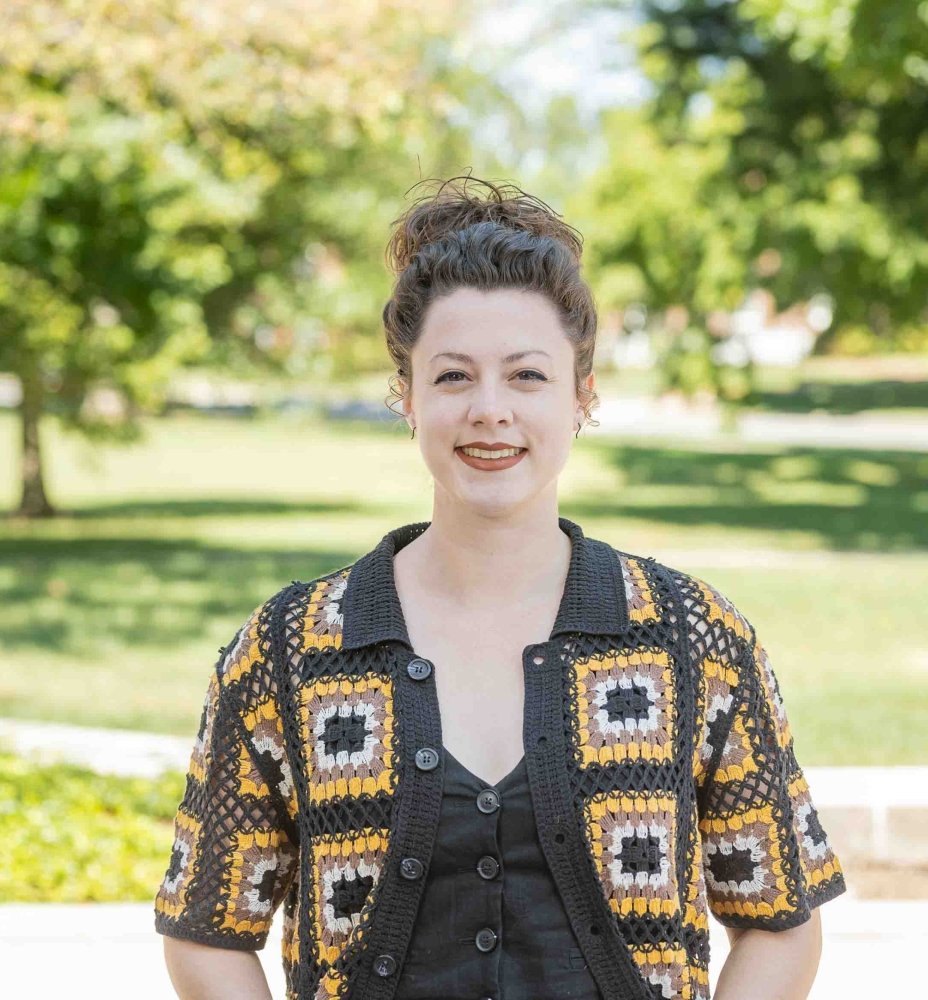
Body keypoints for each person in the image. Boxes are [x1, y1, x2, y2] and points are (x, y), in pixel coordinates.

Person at [154, 174, 846, 1000]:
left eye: (526, 376)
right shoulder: (290, 649)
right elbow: (206, 931)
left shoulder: (693, 637)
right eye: (452, 377)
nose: (490, 410)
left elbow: (782, 921)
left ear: (582, 395)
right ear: (405, 397)